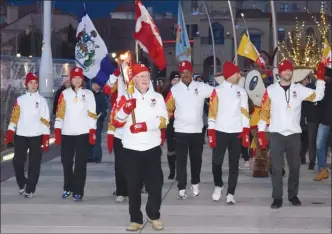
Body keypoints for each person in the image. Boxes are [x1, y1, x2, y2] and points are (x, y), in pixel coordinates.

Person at [257, 60, 326, 209]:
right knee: (276, 168)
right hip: (276, 134)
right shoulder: (270, 90)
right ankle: (277, 198)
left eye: (289, 70)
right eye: (284, 70)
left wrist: (320, 78)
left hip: (294, 135)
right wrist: (261, 133)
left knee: (295, 167)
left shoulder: (299, 89)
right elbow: (264, 112)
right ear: (279, 73)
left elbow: (318, 96)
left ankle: (293, 195)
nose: (287, 72)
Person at [112, 63, 167, 231]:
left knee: (155, 185)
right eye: (141, 76)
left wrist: (145, 126)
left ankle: (153, 214)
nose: (145, 79)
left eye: (147, 76)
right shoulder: (125, 97)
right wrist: (125, 111)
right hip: (131, 149)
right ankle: (136, 219)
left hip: (151, 148)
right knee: (133, 186)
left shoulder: (157, 97)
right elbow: (116, 121)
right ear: (133, 79)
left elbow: (164, 120)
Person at [166, 61, 213, 199]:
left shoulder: (201, 87)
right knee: (181, 160)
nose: (185, 75)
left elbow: (217, 94)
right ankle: (181, 187)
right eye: (182, 73)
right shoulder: (175, 90)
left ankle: (195, 183)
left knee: (196, 159)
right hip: (180, 130)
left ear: (192, 73)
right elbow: (167, 108)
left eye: (187, 72)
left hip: (197, 130)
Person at [207, 61, 250, 203]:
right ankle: (218, 185)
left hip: (236, 132)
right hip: (220, 131)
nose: (239, 75)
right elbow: (212, 112)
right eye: (237, 73)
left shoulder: (242, 92)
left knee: (234, 165)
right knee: (216, 163)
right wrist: (211, 131)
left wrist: (246, 131)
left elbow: (245, 113)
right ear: (231, 74)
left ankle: (230, 193)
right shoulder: (217, 91)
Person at [4, 72, 50, 198]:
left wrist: (46, 137)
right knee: (18, 162)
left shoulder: (42, 101)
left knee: (34, 163)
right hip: (21, 135)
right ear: (26, 85)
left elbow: (45, 120)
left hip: (36, 135)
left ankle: (30, 188)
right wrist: (10, 131)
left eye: (35, 83)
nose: (33, 85)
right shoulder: (20, 100)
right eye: (31, 82)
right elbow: (14, 118)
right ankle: (21, 183)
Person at [54, 67, 97, 201]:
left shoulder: (88, 94)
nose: (77, 80)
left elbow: (92, 114)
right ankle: (68, 187)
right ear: (71, 79)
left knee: (80, 164)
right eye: (74, 78)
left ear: (82, 80)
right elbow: (60, 112)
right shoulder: (65, 94)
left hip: (83, 133)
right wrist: (57, 129)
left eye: (79, 78)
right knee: (66, 162)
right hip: (67, 133)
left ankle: (78, 191)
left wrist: (92, 130)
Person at [107, 66, 129, 203]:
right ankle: (121, 191)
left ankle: (133, 188)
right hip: (118, 132)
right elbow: (107, 89)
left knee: (133, 163)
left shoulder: (139, 79)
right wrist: (115, 74)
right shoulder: (118, 80)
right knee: (120, 163)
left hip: (134, 131)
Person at [293, 70, 319, 169]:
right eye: (303, 79)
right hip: (302, 117)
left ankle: (311, 161)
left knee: (310, 140)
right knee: (304, 139)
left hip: (312, 118)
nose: (304, 81)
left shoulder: (311, 88)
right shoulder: (299, 89)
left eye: (306, 79)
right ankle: (303, 156)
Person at [161, 71, 180, 180]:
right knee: (171, 149)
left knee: (180, 149)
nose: (176, 82)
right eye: (174, 80)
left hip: (181, 123)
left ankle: (179, 171)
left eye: (178, 80)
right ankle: (172, 170)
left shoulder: (183, 91)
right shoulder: (166, 92)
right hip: (170, 123)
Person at [314, 66, 332, 181]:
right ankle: (322, 169)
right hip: (324, 120)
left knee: (320, 144)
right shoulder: (323, 86)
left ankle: (322, 169)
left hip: (325, 120)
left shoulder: (325, 86)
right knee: (320, 145)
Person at [89, 78, 108, 163]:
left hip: (98, 120)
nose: (96, 87)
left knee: (97, 139)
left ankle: (97, 157)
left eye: (98, 85)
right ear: (91, 85)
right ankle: (89, 156)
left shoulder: (102, 95)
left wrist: (101, 115)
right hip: (88, 121)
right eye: (94, 85)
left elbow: (104, 108)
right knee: (88, 138)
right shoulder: (88, 95)